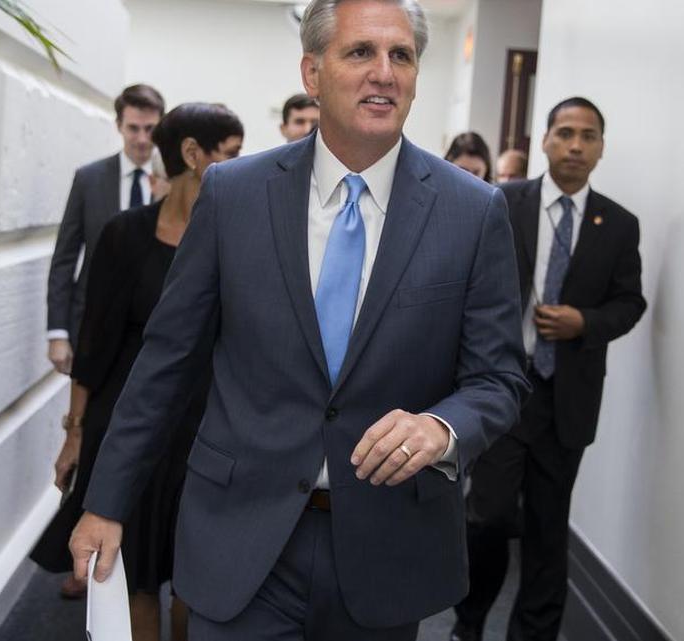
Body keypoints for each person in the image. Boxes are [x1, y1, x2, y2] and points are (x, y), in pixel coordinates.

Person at [69, 1, 529, 640]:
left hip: (386, 547)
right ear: (313, 73)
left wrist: (443, 428)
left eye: (402, 55)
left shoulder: (473, 212)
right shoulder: (234, 195)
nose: (385, 73)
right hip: (242, 538)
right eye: (360, 52)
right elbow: (166, 361)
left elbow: (499, 377)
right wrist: (106, 501)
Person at [31, 103, 243, 641]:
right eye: (232, 154)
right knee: (136, 576)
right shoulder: (125, 235)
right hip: (131, 425)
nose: (243, 165)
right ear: (193, 155)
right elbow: (96, 343)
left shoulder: (237, 237)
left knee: (197, 578)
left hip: (206, 430)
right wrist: (74, 434)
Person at [451, 97, 647, 641]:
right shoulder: (502, 202)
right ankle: (466, 624)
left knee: (546, 529)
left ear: (601, 148)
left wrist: (584, 321)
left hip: (568, 398)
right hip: (502, 391)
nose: (576, 145)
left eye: (588, 136)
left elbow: (631, 304)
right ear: (544, 140)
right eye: (565, 133)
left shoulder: (619, 225)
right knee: (485, 518)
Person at [46, 84, 166, 377]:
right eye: (133, 128)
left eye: (150, 128)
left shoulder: (174, 180)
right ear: (119, 126)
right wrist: (57, 333)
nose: (141, 138)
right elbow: (65, 258)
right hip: (91, 325)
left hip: (152, 329)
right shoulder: (89, 179)